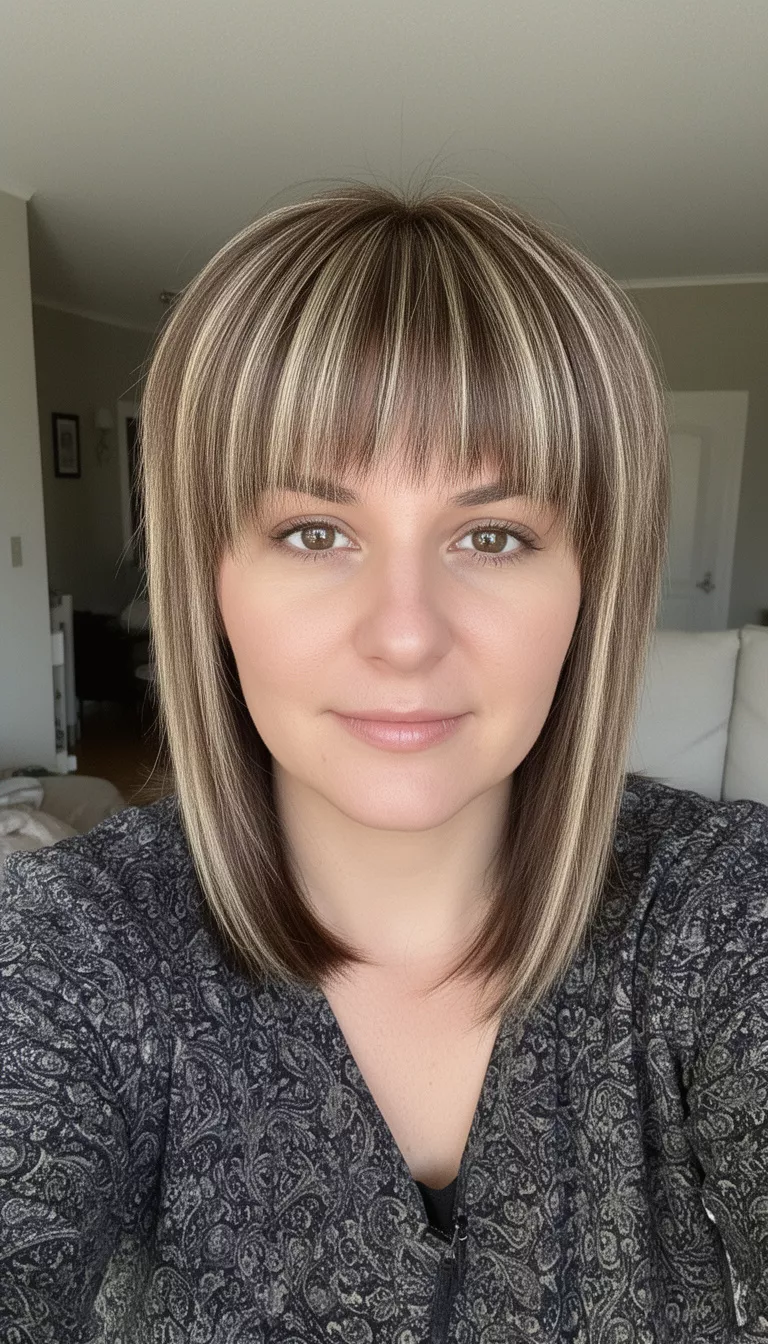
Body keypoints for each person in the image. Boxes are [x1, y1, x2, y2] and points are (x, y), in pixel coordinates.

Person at [2, 182, 767, 1343]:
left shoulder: (720, 912)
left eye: (493, 534)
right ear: (211, 580)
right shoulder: (74, 945)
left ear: (589, 588)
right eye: (316, 532)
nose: (405, 633)